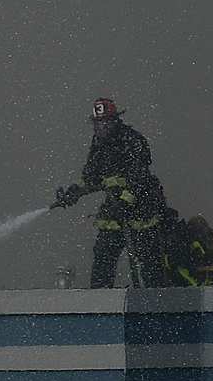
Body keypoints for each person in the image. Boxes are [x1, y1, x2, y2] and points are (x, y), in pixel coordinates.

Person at [51, 98, 181, 286]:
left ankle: (154, 302)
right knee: (104, 253)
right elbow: (90, 176)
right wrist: (72, 193)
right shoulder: (98, 144)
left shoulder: (132, 140)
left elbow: (140, 177)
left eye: (105, 122)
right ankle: (101, 299)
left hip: (142, 209)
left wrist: (125, 201)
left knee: (147, 260)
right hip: (115, 208)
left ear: (114, 120)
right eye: (97, 123)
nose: (100, 128)